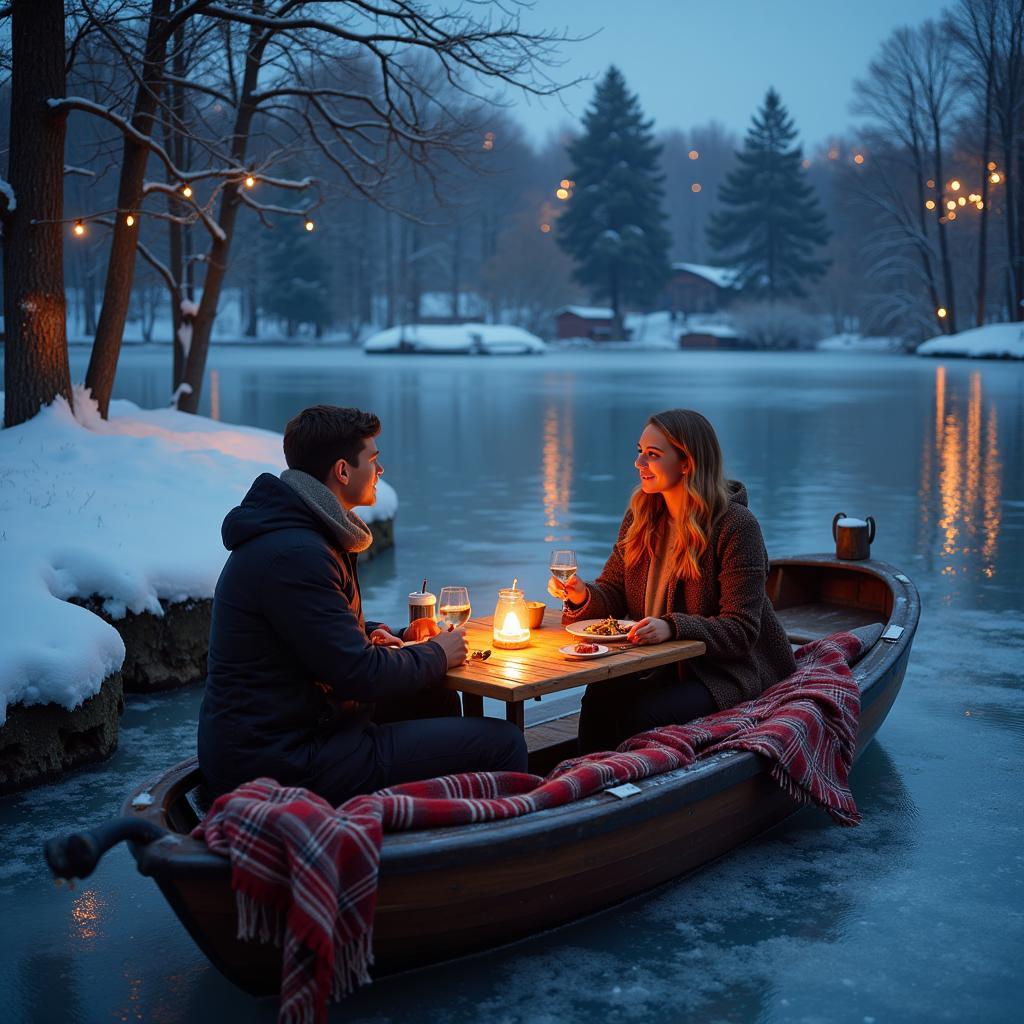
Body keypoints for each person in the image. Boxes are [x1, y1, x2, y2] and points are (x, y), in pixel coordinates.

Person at [198, 405, 527, 804]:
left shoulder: (301, 534)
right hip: (284, 762)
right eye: (373, 459)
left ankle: (420, 822)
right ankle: (484, 855)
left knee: (432, 697)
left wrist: (385, 634)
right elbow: (359, 673)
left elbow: (315, 631)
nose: (380, 470)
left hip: (299, 732)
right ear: (342, 471)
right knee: (504, 743)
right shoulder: (297, 553)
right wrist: (439, 653)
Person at [549, 408, 796, 753]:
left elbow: (742, 630)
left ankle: (637, 793)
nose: (639, 463)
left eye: (652, 455)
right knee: (600, 695)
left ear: (687, 463)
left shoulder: (736, 527)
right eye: (639, 451)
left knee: (642, 715)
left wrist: (673, 627)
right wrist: (581, 597)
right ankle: (586, 787)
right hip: (657, 665)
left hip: (722, 672)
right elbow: (614, 592)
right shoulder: (641, 515)